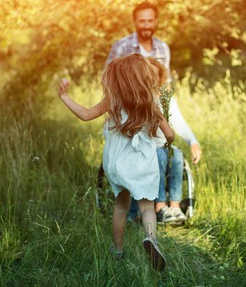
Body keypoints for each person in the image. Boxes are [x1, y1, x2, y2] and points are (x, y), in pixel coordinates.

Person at [59, 54, 175, 271]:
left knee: (121, 206)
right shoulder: (151, 105)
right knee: (147, 206)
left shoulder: (112, 102)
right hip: (142, 165)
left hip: (117, 165)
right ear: (143, 77)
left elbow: (85, 114)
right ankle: (150, 237)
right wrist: (166, 140)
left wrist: (65, 97)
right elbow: (170, 135)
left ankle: (118, 250)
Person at [106, 1, 202, 223]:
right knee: (156, 154)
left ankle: (173, 206)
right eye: (142, 20)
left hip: (156, 136)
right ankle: (156, 206)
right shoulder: (121, 47)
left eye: (150, 20)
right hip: (130, 132)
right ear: (135, 22)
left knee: (174, 154)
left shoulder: (163, 51)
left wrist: (192, 141)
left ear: (156, 21)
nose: (146, 24)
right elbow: (110, 81)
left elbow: (173, 116)